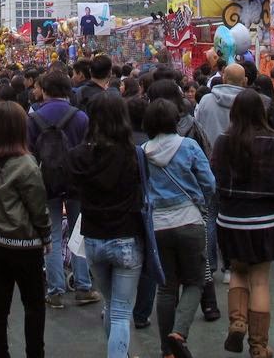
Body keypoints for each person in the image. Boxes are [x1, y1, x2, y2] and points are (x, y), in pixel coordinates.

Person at [210, 89, 274, 358]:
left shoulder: (223, 141)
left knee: (237, 271)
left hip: (230, 217)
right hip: (264, 219)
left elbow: (214, 176)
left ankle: (237, 321)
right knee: (259, 280)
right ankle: (259, 346)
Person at [0, 101, 52, 358]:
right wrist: (46, 235)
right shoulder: (27, 164)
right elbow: (38, 207)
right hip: (25, 244)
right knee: (34, 304)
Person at [69, 93, 144, 358]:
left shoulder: (78, 155)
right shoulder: (133, 154)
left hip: (93, 238)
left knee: (112, 305)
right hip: (126, 237)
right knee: (122, 311)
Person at [142, 99, 215, 358]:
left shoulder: (142, 152)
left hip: (158, 225)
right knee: (195, 281)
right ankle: (179, 332)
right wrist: (201, 202)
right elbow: (209, 183)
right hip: (190, 220)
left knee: (166, 288)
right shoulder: (189, 146)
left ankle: (167, 350)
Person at [28, 70, 97, 309]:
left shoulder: (34, 118)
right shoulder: (80, 117)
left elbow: (28, 153)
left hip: (46, 182)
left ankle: (55, 290)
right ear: (68, 90)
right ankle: (83, 286)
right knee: (79, 232)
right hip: (77, 181)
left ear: (44, 90)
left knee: (53, 234)